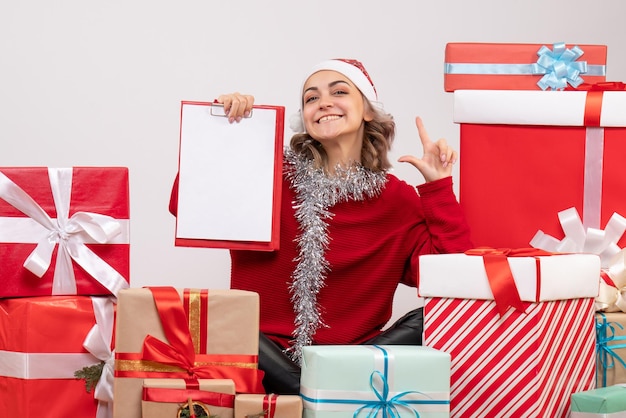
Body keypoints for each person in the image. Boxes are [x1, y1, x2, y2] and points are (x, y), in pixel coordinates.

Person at [169, 58, 473, 394]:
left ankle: (316, 392)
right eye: (311, 98)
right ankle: (320, 394)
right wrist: (225, 135)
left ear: (368, 111)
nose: (323, 102)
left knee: (435, 317)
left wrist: (438, 188)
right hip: (261, 357)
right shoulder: (267, 173)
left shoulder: (396, 199)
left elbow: (453, 279)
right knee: (217, 320)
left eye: (339, 91)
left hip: (350, 360)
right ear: (306, 118)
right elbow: (187, 207)